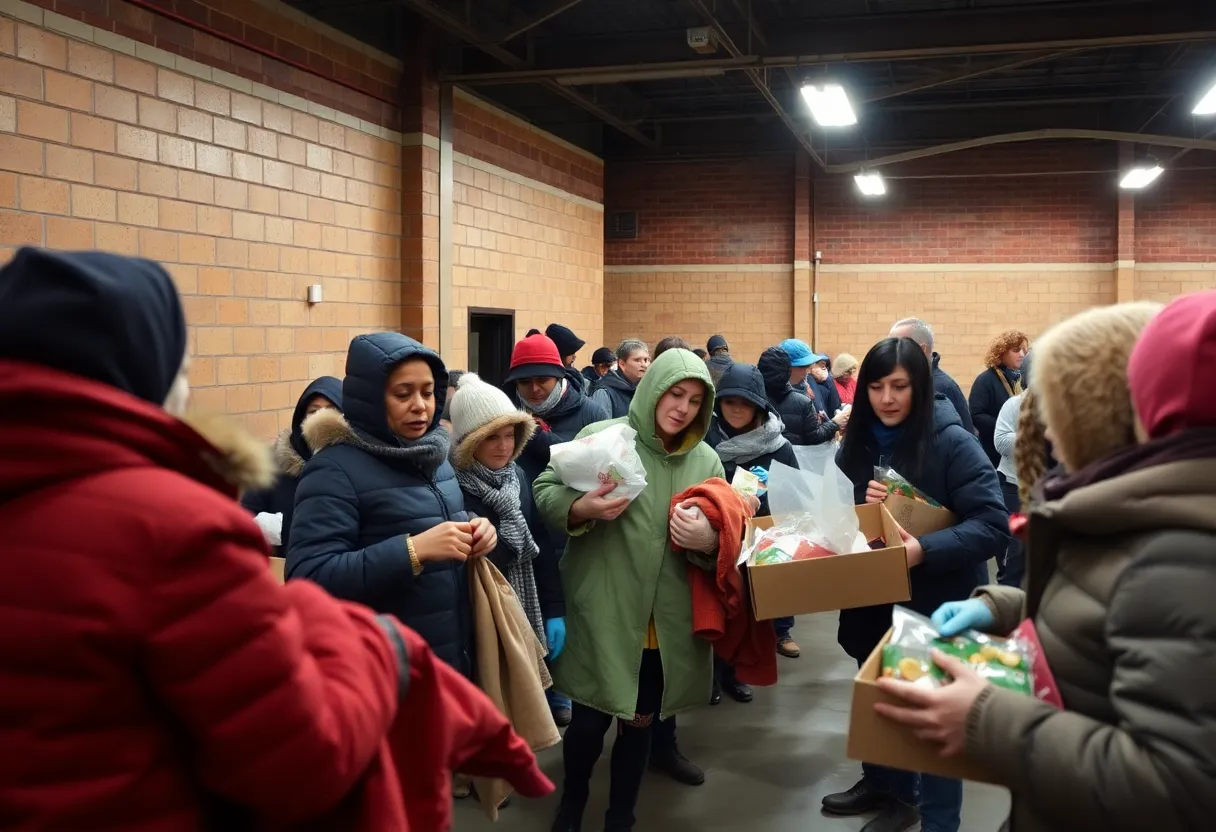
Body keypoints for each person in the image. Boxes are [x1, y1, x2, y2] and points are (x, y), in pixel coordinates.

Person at [0, 248, 408, 828]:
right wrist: (375, 648)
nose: (187, 394)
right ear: (139, 370)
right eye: (182, 370)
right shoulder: (174, 530)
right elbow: (298, 760)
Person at [869, 300, 1216, 832]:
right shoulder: (1127, 514)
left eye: (1059, 410)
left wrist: (988, 718)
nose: (1047, 434)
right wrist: (1003, 606)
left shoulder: (1176, 552)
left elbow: (1176, 787)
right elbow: (1111, 616)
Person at [536, 349, 733, 832]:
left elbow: (727, 534)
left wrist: (708, 541)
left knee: (640, 725)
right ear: (652, 390)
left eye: (694, 399)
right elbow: (543, 488)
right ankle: (573, 801)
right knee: (586, 723)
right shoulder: (604, 438)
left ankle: (621, 814)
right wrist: (580, 508)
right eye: (674, 393)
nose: (682, 407)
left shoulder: (706, 459)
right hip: (602, 611)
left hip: (662, 626)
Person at [826, 336, 1009, 832]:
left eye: (900, 386)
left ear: (920, 387)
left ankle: (932, 817)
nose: (887, 398)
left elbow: (993, 523)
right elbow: (847, 515)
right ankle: (887, 788)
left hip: (934, 603)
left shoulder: (951, 441)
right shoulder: (859, 442)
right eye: (877, 386)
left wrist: (922, 546)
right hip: (872, 598)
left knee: (931, 721)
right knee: (881, 697)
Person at [287, 332, 497, 683]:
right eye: (403, 394)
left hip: (449, 663)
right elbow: (308, 578)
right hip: (381, 677)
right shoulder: (333, 470)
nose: (420, 405)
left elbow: (432, 520)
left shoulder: (435, 455)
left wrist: (475, 529)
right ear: (371, 398)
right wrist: (412, 551)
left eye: (428, 393)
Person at [504, 332, 606, 727]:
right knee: (527, 616)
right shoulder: (506, 415)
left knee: (568, 619)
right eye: (524, 382)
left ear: (559, 375)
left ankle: (562, 690)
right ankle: (534, 691)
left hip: (574, 536)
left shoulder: (591, 413)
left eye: (541, 380)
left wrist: (544, 440)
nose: (532, 388)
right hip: (520, 534)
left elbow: (601, 470)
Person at [448, 373, 562, 661]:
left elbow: (540, 544)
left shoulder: (518, 477)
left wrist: (554, 608)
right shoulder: (453, 489)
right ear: (470, 442)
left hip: (526, 607)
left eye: (510, 435)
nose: (504, 446)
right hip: (481, 618)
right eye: (491, 437)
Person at [705, 361, 798, 702]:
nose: (737, 408)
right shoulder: (704, 441)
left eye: (745, 402)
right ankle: (710, 677)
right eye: (729, 401)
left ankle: (733, 674)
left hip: (761, 544)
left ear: (760, 405)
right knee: (715, 611)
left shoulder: (779, 446)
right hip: (713, 545)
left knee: (749, 616)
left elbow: (794, 500)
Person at [241, 376, 342, 551]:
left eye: (330, 410)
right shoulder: (272, 465)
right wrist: (285, 527)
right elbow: (244, 521)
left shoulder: (357, 466)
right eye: (313, 411)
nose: (321, 419)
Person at [889, 318, 974, 434]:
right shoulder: (913, 382)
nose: (890, 352)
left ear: (922, 349)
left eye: (899, 345)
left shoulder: (940, 387)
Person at [992, 352, 1033, 588]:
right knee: (1014, 553)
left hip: (1049, 491)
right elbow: (1001, 442)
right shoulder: (1014, 404)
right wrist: (1034, 437)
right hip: (1014, 487)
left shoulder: (1063, 405)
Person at [758, 345, 841, 449]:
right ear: (786, 368)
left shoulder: (808, 386)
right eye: (803, 366)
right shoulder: (800, 400)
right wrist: (835, 423)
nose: (807, 371)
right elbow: (813, 437)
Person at [969, 329, 1029, 466]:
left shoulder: (1021, 379)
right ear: (1002, 352)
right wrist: (1005, 426)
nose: (1022, 355)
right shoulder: (985, 380)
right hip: (993, 456)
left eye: (1024, 351)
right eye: (1016, 350)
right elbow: (976, 415)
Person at [591, 338, 650, 419]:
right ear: (622, 364)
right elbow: (601, 429)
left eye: (646, 360)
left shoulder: (646, 389)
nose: (644, 365)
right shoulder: (604, 392)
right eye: (637, 360)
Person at [546, 323, 589, 393]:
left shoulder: (573, 375)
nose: (574, 357)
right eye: (572, 353)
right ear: (560, 354)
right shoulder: (561, 382)